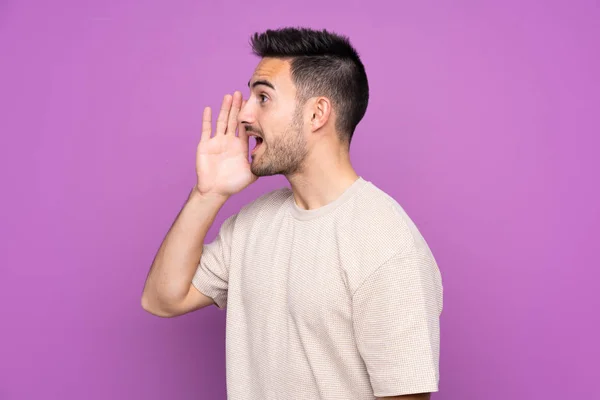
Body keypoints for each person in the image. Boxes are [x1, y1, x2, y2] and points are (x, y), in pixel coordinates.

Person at [141, 27, 443, 400]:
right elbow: (162, 299)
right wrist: (208, 194)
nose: (245, 115)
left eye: (263, 97)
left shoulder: (386, 245)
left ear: (317, 113)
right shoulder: (253, 224)